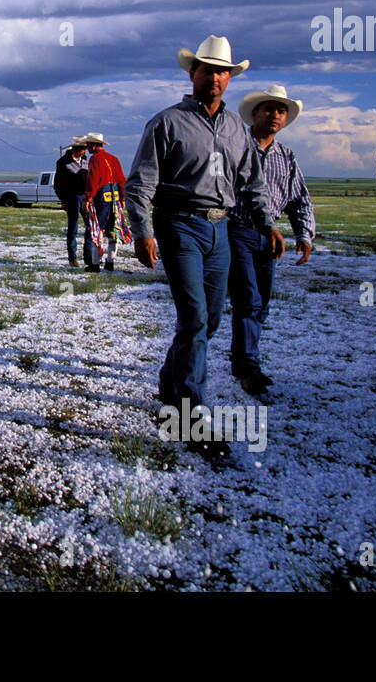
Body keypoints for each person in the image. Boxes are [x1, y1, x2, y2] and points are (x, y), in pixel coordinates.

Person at [125, 35, 276, 459]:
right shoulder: (166, 123)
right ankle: (191, 420)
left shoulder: (235, 130)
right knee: (193, 319)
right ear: (192, 73)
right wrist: (143, 231)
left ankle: (169, 388)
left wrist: (268, 225)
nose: (214, 77)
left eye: (222, 71)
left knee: (208, 322)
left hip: (221, 230)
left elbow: (252, 182)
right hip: (179, 226)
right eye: (207, 69)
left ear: (230, 79)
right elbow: (141, 183)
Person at [227, 85, 316, 396]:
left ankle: (244, 358)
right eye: (269, 109)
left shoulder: (286, 156)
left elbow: (299, 199)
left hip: (270, 237)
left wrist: (304, 234)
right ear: (255, 114)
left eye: (281, 111)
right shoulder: (235, 147)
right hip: (236, 229)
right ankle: (248, 366)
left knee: (261, 302)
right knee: (248, 298)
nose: (276, 115)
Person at [82, 133, 128, 272]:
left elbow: (93, 180)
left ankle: (95, 264)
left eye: (89, 144)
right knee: (114, 229)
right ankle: (110, 262)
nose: (87, 147)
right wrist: (122, 198)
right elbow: (121, 180)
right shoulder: (113, 159)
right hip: (114, 197)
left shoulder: (95, 159)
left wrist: (88, 198)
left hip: (102, 197)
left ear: (94, 145)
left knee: (98, 229)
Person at [53, 137, 88, 267]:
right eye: (83, 149)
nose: (85, 151)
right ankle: (72, 258)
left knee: (89, 227)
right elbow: (58, 183)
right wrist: (63, 200)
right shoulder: (63, 162)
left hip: (85, 197)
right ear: (76, 149)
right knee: (73, 227)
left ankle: (88, 256)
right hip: (72, 198)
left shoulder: (85, 161)